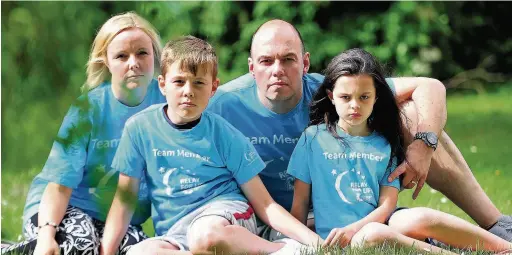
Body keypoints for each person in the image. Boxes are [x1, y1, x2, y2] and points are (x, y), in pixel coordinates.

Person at [206, 19, 512, 241]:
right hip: (270, 218)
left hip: (347, 206)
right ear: (251, 67)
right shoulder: (223, 104)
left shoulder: (332, 91)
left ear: (305, 62)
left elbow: (429, 87)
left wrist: (423, 144)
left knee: (409, 113)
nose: (277, 70)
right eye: (266, 61)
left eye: (288, 59)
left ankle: (495, 224)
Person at [99, 36, 322, 255]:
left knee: (205, 236)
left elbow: (265, 204)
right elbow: (123, 202)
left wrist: (313, 241)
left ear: (213, 88)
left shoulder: (224, 134)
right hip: (176, 231)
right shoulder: (139, 128)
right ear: (162, 84)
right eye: (179, 81)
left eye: (199, 83)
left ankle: (282, 250)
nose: (188, 91)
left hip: (224, 216)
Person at [288, 48, 512, 254]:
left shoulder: (384, 143)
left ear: (376, 97)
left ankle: (504, 247)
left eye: (364, 97)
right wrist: (302, 243)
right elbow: (300, 202)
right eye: (345, 97)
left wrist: (355, 228)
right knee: (370, 236)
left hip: (379, 226)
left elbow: (387, 204)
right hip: (342, 241)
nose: (354, 105)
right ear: (331, 96)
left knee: (417, 218)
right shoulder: (313, 139)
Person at [1, 12, 165, 255]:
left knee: (140, 250)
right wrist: (47, 236)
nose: (134, 62)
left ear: (155, 55)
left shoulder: (169, 104)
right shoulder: (88, 110)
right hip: (61, 208)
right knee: (81, 243)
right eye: (121, 56)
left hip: (120, 219)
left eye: (142, 52)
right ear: (106, 61)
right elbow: (59, 186)